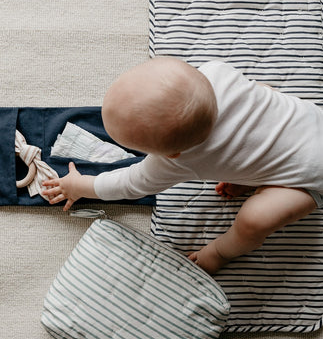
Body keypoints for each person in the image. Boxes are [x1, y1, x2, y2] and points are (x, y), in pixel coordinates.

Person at [42, 57, 323, 274]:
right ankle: (250, 173)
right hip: (312, 122)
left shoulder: (177, 163)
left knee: (254, 220)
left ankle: (221, 253)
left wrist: (78, 186)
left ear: (173, 154)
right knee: (262, 93)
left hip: (308, 179)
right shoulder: (216, 72)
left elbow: (127, 183)